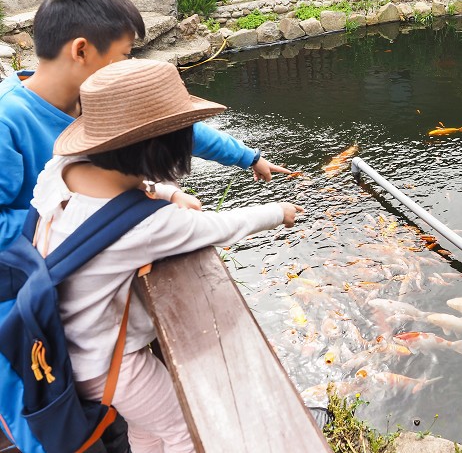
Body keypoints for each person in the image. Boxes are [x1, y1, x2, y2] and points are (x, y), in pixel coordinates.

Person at [31, 58, 304, 453]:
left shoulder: (62, 170)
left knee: (147, 428)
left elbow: (119, 194)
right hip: (107, 362)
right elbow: (215, 228)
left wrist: (167, 191)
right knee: (185, 429)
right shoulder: (147, 225)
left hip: (63, 340)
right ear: (162, 151)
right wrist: (279, 212)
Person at [0, 0, 289, 251]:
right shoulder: (7, 120)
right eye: (125, 55)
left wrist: (248, 157)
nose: (129, 65)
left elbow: (168, 124)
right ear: (81, 51)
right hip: (33, 286)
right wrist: (98, 217)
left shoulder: (97, 95)